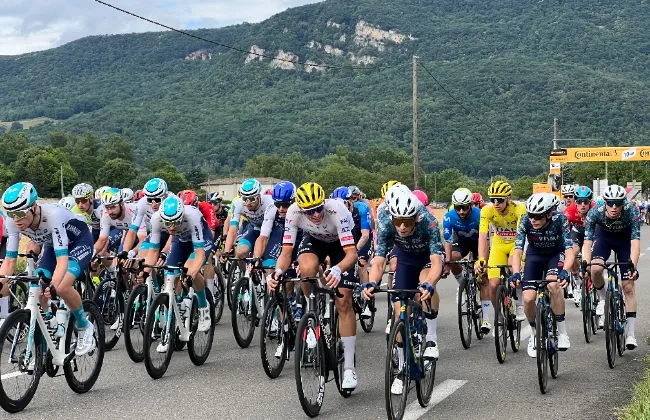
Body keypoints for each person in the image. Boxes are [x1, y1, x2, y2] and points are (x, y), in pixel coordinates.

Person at [267, 182, 359, 389]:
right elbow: (286, 252)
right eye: (309, 211)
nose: (316, 214)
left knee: (343, 302)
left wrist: (338, 269)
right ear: (301, 209)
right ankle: (312, 313)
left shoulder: (337, 210)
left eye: (318, 208)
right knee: (306, 269)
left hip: (340, 245)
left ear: (323, 203)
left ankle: (349, 367)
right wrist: (278, 271)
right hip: (315, 240)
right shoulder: (293, 212)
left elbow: (352, 254)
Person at [362, 186, 443, 394]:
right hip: (405, 256)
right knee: (399, 312)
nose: (402, 227)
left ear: (416, 218)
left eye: (407, 222)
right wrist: (372, 282)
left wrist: (430, 283)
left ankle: (431, 338)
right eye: (398, 221)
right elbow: (379, 261)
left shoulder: (429, 221)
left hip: (426, 256)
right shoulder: (385, 221)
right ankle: (402, 367)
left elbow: (436, 262)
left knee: (425, 284)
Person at [0, 182, 96, 355]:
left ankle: (84, 326)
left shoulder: (53, 216)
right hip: (52, 246)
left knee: (61, 286)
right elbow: (10, 260)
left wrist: (54, 284)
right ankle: (47, 334)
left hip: (79, 242)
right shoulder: (13, 221)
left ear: (34, 207)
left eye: (20, 213)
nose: (16, 219)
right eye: (11, 214)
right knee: (38, 289)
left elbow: (62, 260)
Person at [141, 195, 214, 338]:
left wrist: (191, 274)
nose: (172, 227)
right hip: (180, 241)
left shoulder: (192, 216)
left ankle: (203, 306)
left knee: (190, 269)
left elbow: (199, 254)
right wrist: (145, 272)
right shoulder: (156, 219)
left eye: (175, 222)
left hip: (201, 241)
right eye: (168, 223)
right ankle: (178, 307)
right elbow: (153, 251)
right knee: (170, 274)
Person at [511, 193, 574, 357]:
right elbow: (517, 250)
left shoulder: (560, 219)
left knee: (553, 284)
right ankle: (534, 334)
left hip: (555, 254)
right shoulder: (525, 220)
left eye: (538, 216)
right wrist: (516, 273)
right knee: (528, 299)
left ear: (549, 214)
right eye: (531, 215)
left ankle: (562, 332)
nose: (533, 219)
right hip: (535, 255)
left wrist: (566, 270)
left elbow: (569, 250)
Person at [582, 184, 640, 349]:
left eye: (618, 203)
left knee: (628, 286)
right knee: (595, 269)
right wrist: (585, 263)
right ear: (605, 202)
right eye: (610, 203)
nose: (614, 207)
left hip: (624, 241)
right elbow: (587, 242)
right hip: (604, 239)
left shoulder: (632, 211)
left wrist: (633, 267)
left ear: (623, 203)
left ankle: (631, 334)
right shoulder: (595, 212)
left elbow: (635, 243)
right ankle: (602, 297)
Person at [475, 181, 527, 328]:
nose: (496, 203)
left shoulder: (519, 208)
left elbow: (522, 235)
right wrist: (481, 258)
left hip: (516, 243)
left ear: (508, 198)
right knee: (493, 284)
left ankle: (519, 303)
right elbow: (482, 236)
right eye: (493, 200)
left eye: (500, 199)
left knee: (513, 266)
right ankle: (498, 313)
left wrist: (521, 258)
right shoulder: (487, 211)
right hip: (498, 244)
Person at [563, 185, 595, 304]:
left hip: (591, 234)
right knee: (573, 251)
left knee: (592, 255)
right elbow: (563, 229)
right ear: (575, 201)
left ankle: (592, 281)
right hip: (577, 232)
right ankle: (576, 280)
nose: (583, 205)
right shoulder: (569, 211)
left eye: (585, 201)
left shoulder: (595, 209)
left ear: (590, 201)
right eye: (579, 201)